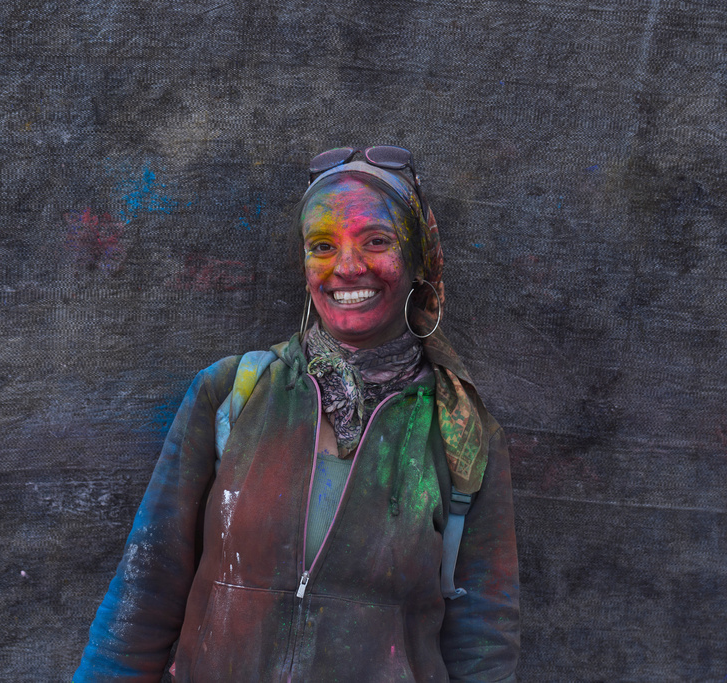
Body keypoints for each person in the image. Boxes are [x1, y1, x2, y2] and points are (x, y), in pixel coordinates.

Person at [74, 146, 520, 682]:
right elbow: (145, 593)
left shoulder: (460, 431)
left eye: (376, 241)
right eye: (323, 245)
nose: (347, 267)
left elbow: (482, 643)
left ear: (419, 258)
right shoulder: (233, 395)